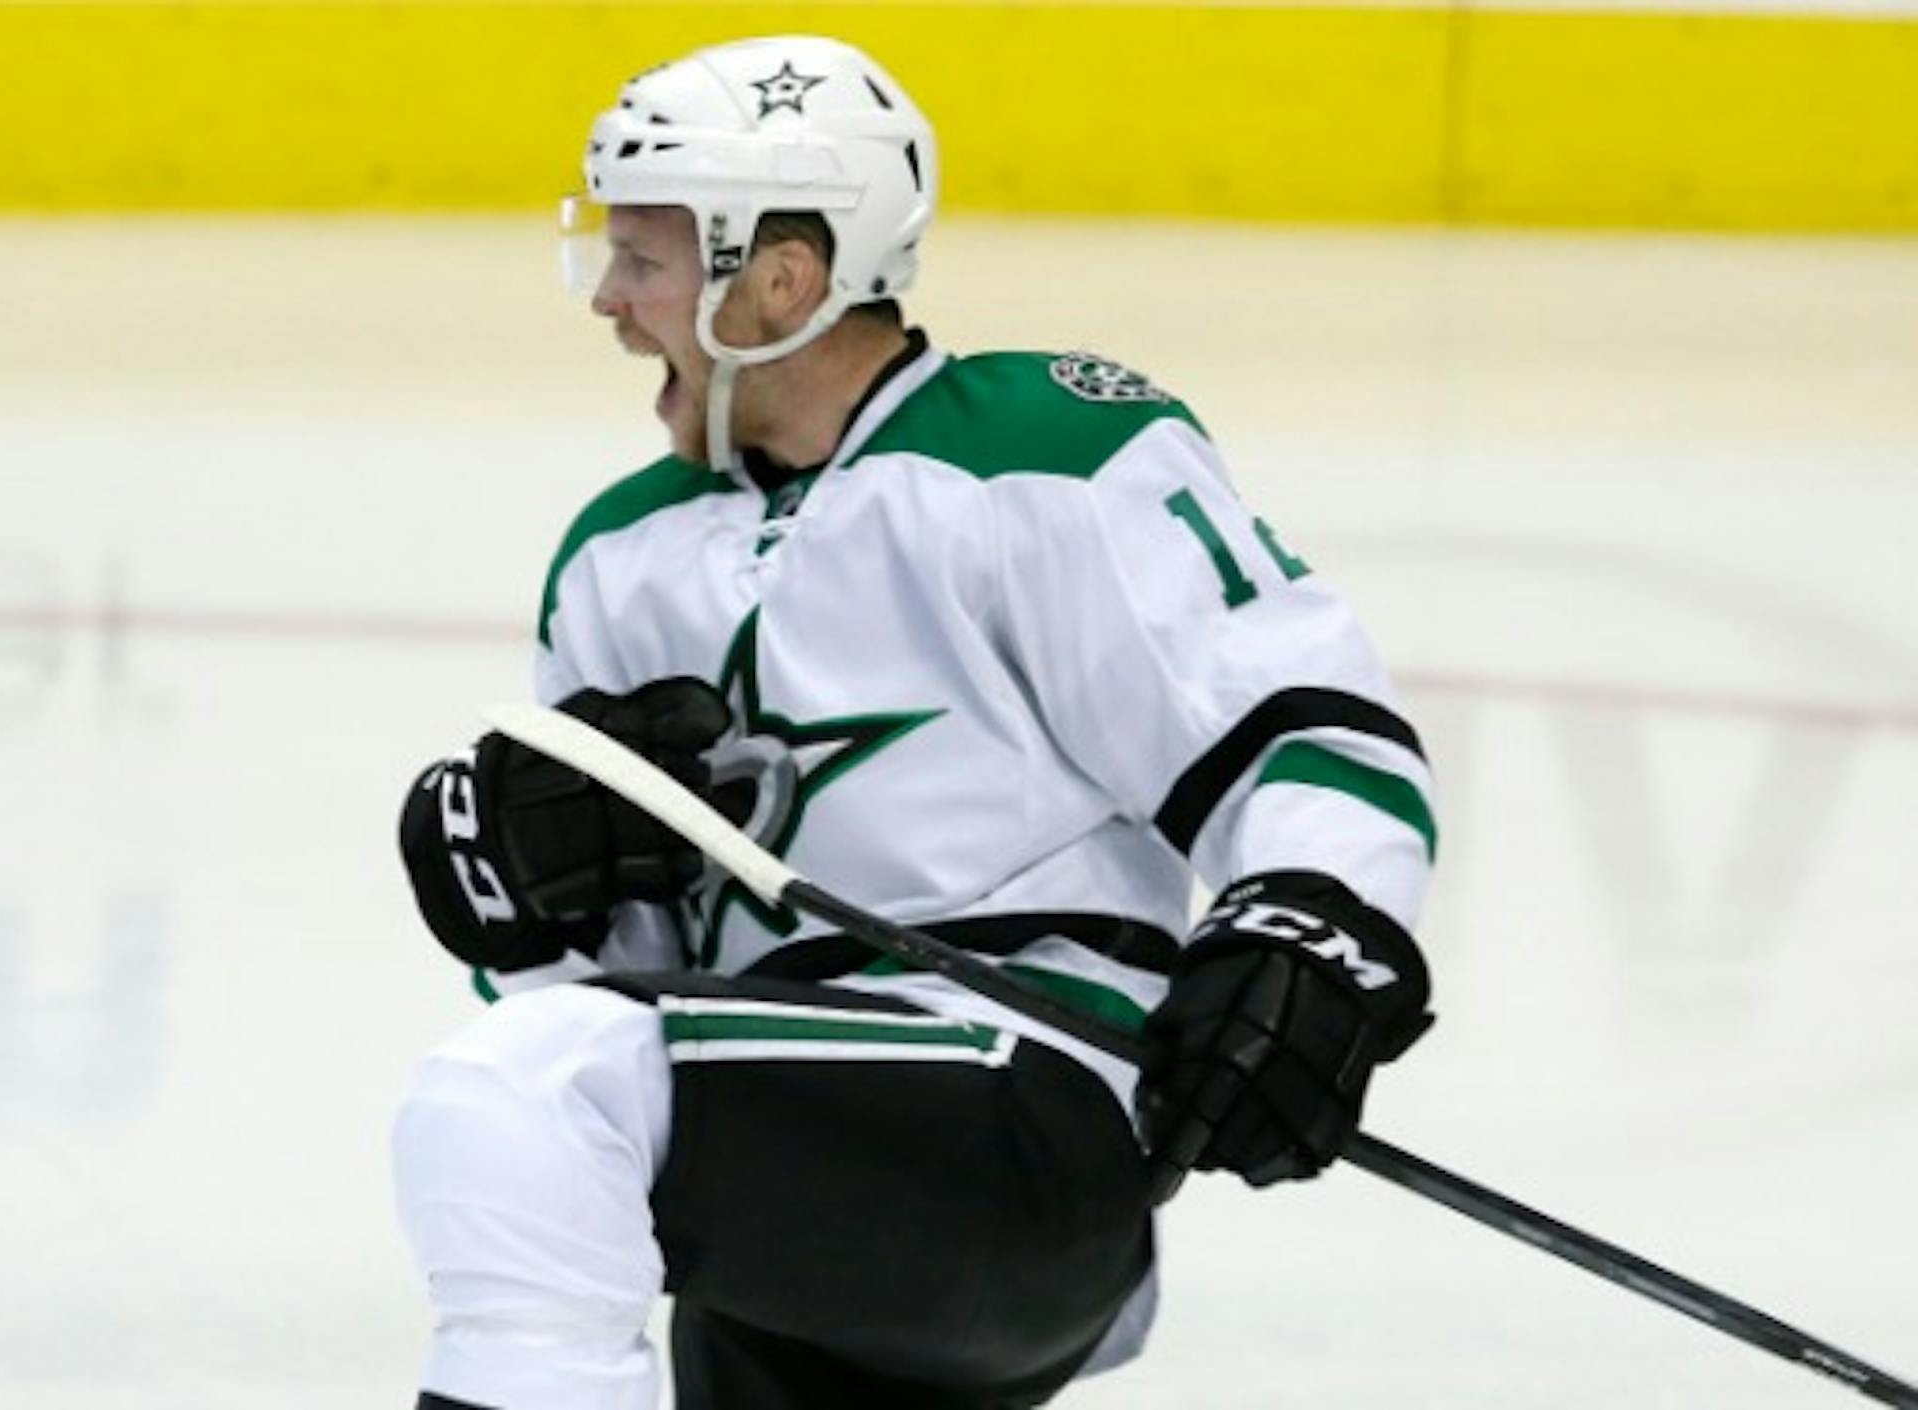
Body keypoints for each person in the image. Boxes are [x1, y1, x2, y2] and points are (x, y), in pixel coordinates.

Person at [391, 33, 1438, 1410]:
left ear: (778, 280)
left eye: (642, 256)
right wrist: (526, 894)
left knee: (516, 1097)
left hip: (1019, 1120)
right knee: (551, 1084)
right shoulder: (617, 556)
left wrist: (1308, 933)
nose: (608, 299)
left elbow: (1304, 731)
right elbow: (614, 1004)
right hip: (801, 1205)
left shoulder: (1037, 453)